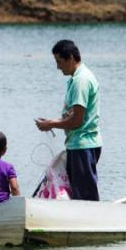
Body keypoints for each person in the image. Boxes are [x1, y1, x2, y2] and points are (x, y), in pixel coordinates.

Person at [35, 39, 102, 201]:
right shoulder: (76, 78)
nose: (58, 67)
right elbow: (72, 116)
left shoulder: (81, 81)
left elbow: (77, 121)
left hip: (83, 144)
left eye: (59, 62)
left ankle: (93, 223)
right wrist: (53, 121)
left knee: (85, 197)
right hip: (79, 143)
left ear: (70, 58)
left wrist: (50, 124)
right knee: (78, 193)